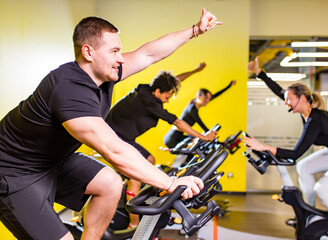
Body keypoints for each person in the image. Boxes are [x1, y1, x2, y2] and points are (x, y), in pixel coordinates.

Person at [0, 8, 222, 240]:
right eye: (114, 51)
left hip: (53, 161)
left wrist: (195, 30)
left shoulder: (103, 75)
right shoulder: (69, 90)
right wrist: (171, 182)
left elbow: (148, 54)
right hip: (15, 173)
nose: (120, 58)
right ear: (88, 52)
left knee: (110, 183)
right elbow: (114, 150)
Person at [245, 57, 328, 239]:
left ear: (302, 98)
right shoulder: (306, 112)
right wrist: (259, 72)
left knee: (323, 188)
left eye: (289, 100)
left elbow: (295, 154)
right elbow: (279, 91)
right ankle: (310, 214)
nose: (286, 102)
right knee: (304, 167)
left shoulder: (315, 120)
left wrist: (262, 145)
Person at [105, 62, 217, 228]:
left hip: (121, 136)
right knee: (136, 176)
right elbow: (178, 122)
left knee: (149, 159)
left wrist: (195, 70)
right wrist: (203, 136)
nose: (169, 99)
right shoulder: (151, 103)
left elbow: (173, 81)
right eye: (167, 96)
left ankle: (128, 191)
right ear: (158, 92)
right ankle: (133, 224)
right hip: (115, 138)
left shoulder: (147, 90)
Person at [164, 79, 236, 148]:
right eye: (206, 98)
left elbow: (215, 95)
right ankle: (222, 144)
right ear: (199, 97)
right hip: (172, 138)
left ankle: (223, 144)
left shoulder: (195, 106)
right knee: (198, 143)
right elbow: (201, 124)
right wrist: (214, 137)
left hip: (180, 136)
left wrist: (229, 85)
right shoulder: (191, 109)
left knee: (199, 143)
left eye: (209, 99)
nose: (208, 101)